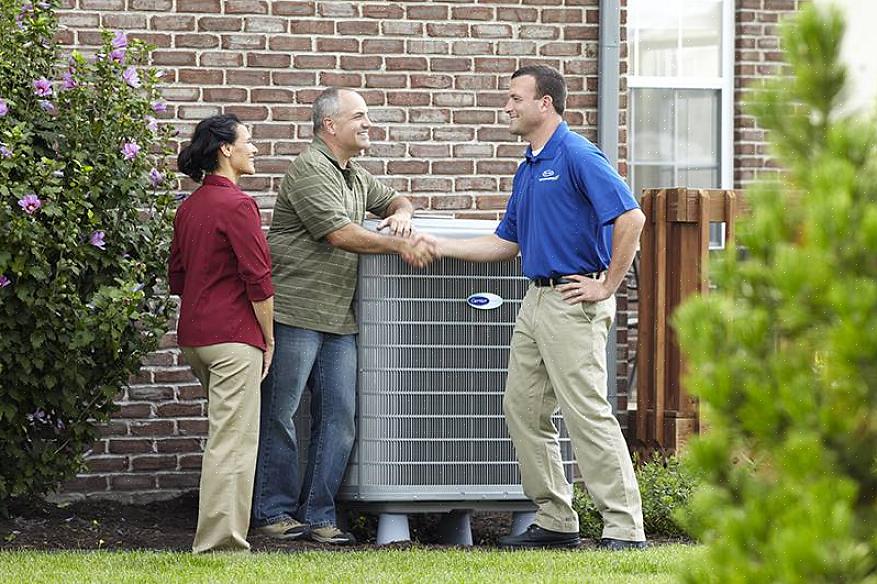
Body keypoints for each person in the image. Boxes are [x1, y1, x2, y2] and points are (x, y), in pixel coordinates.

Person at [436, 65, 647, 550]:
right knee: (523, 408)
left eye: (514, 98)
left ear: (544, 103)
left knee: (586, 413)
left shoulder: (576, 154)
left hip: (573, 302)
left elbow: (630, 217)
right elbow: (504, 244)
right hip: (535, 299)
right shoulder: (528, 166)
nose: (507, 107)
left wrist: (607, 286)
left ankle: (624, 527)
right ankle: (556, 519)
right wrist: (438, 244)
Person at [251, 87, 437, 545]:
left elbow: (396, 198)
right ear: (330, 125)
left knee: (341, 418)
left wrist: (401, 217)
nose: (368, 123)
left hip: (339, 319)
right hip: (296, 312)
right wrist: (400, 245)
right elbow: (338, 233)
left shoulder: (353, 175)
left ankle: (319, 515)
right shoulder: (311, 169)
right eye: (360, 117)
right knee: (282, 413)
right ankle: (272, 511)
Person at [169, 114, 274, 553]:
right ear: (225, 150)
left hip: (196, 337)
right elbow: (259, 278)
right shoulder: (237, 205)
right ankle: (221, 543)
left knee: (222, 436)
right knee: (233, 442)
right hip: (233, 338)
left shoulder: (189, 206)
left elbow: (177, 277)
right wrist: (268, 338)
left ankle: (219, 535)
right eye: (248, 142)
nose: (254, 149)